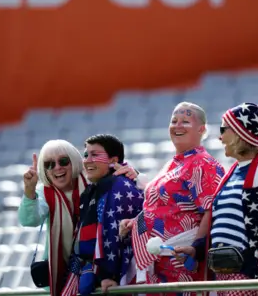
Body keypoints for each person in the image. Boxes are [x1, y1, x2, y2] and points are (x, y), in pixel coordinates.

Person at [175, 101, 258, 296]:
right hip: (222, 272)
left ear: (239, 133)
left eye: (224, 129)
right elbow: (221, 223)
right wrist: (197, 250)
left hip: (248, 273)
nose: (220, 137)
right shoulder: (232, 172)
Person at [120, 102, 225, 292]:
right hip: (158, 261)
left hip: (181, 261)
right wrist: (135, 223)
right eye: (174, 121)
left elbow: (212, 209)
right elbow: (162, 208)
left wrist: (197, 247)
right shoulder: (171, 164)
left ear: (201, 130)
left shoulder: (203, 163)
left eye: (185, 121)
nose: (177, 125)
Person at [19, 139, 138, 295]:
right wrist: (29, 189)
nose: (57, 168)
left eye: (63, 161)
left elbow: (116, 172)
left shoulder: (92, 179)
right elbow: (29, 220)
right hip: (63, 273)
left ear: (74, 162)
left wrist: (133, 173)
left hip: (98, 266)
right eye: (49, 164)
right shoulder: (44, 192)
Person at [60, 134, 144, 296]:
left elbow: (113, 234)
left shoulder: (119, 186)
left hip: (113, 280)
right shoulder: (93, 189)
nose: (87, 160)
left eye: (95, 155)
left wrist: (108, 275)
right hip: (91, 271)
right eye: (86, 155)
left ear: (113, 160)